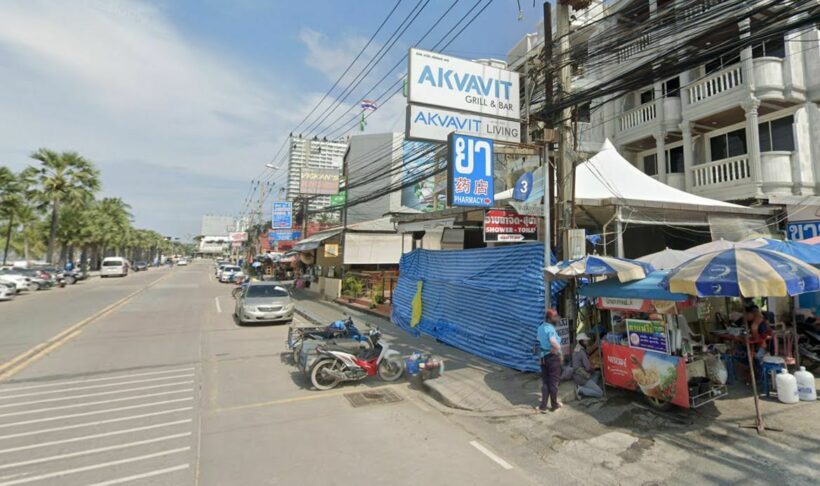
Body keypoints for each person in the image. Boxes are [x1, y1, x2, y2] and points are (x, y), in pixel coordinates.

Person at [537, 309, 563, 412]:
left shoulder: (540, 327)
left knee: (545, 382)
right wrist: (557, 350)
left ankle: (543, 406)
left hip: (543, 357)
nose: (556, 318)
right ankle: (554, 405)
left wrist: (546, 347)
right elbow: (553, 341)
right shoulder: (550, 329)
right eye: (554, 317)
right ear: (549, 318)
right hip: (552, 358)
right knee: (553, 382)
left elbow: (539, 340)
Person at [572, 333, 603, 399]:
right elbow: (588, 368)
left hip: (576, 376)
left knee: (597, 373)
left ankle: (586, 388)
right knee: (600, 393)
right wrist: (594, 368)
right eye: (586, 340)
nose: (587, 342)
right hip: (582, 377)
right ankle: (580, 389)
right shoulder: (581, 352)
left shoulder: (576, 349)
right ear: (582, 341)